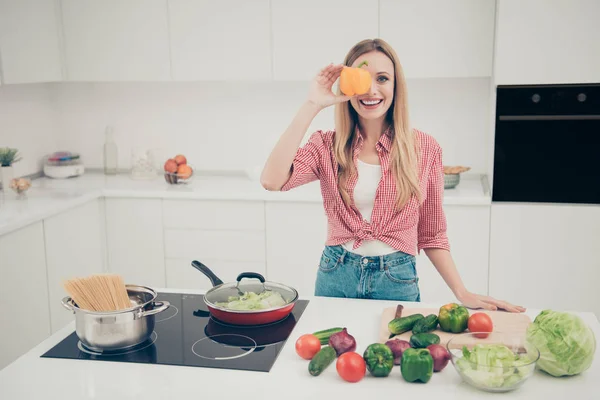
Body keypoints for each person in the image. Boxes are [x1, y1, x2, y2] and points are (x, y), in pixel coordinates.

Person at [260, 38, 524, 313]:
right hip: (335, 274)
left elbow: (432, 233)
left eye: (383, 78)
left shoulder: (424, 148)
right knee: (332, 355)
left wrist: (462, 292)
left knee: (393, 355)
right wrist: (312, 104)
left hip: (396, 279)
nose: (371, 90)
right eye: (362, 79)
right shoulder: (327, 146)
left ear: (396, 86)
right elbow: (272, 180)